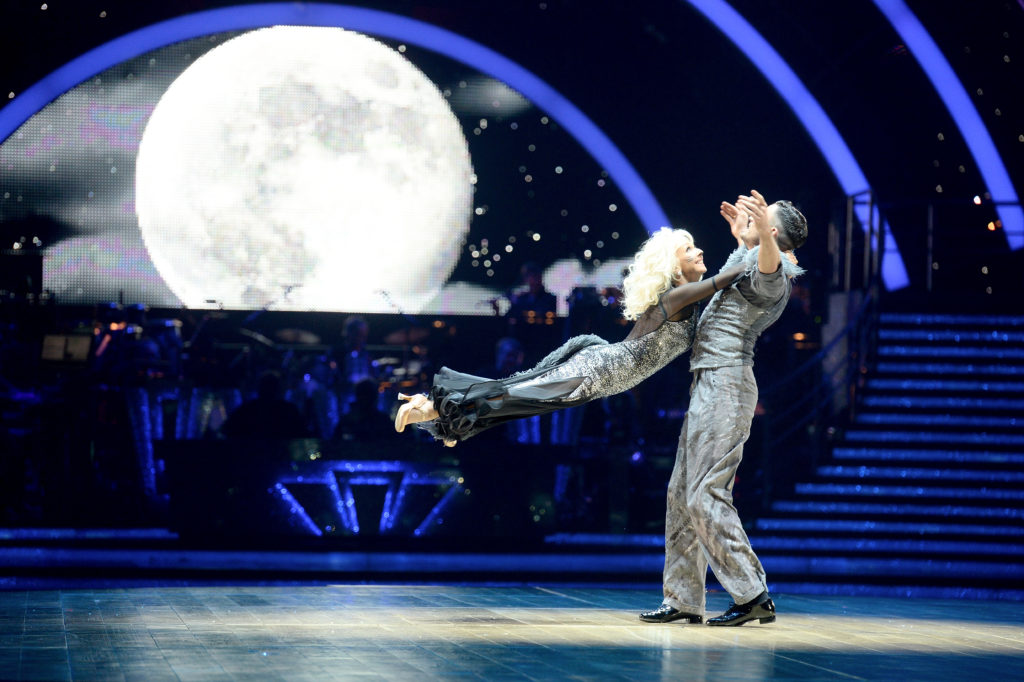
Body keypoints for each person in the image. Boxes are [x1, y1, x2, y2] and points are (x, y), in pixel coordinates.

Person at [394, 227, 745, 446]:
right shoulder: (675, 296)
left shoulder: (681, 300)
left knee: (521, 400)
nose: (699, 252)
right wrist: (756, 245)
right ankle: (431, 407)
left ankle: (449, 420)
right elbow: (723, 280)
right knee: (517, 395)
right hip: (599, 371)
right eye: (689, 250)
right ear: (672, 267)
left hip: (604, 377)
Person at [639, 189, 808, 627]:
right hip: (709, 383)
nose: (750, 216)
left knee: (705, 493)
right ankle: (683, 598)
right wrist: (741, 237)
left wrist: (760, 241)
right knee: (681, 494)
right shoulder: (749, 259)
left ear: (773, 234)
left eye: (760, 216)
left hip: (728, 385)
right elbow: (747, 264)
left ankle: (752, 593)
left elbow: (767, 265)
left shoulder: (776, 270)